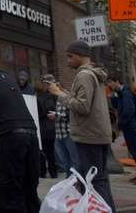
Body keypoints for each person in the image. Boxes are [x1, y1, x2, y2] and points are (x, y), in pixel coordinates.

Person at [48, 41, 115, 211]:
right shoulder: (94, 74)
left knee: (92, 182)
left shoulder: (84, 75)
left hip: (88, 136)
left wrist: (58, 94)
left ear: (80, 55)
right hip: (98, 134)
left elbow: (82, 106)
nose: (68, 61)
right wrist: (65, 92)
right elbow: (86, 103)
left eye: (70, 56)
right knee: (100, 180)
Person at [0, 66, 41, 212]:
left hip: (10, 136)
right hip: (31, 134)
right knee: (30, 188)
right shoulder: (10, 81)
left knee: (10, 189)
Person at [107, 73, 136, 185]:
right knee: (134, 150)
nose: (109, 85)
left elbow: (129, 110)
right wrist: (112, 97)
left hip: (130, 125)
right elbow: (117, 107)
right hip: (129, 124)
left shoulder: (125, 93)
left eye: (110, 82)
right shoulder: (121, 93)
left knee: (135, 151)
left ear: (117, 81)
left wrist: (121, 123)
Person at [37, 76, 58, 179]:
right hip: (46, 128)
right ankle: (49, 172)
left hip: (49, 127)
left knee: (48, 152)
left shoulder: (52, 96)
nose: (44, 85)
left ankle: (49, 172)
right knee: (47, 152)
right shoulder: (42, 97)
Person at [54, 100, 79, 178]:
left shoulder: (70, 97)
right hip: (58, 133)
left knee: (74, 160)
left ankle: (77, 181)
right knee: (65, 161)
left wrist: (57, 115)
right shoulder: (56, 98)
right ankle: (69, 180)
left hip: (69, 133)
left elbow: (73, 114)